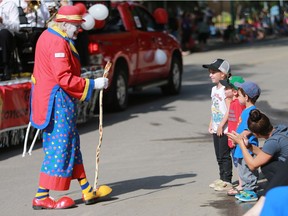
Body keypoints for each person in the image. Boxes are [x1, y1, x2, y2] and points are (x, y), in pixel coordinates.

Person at [29, 5, 109, 210]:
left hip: (57, 100)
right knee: (60, 147)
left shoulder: (55, 36)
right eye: (76, 26)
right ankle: (41, 196)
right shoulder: (56, 41)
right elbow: (63, 78)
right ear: (64, 24)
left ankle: (86, 189)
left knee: (71, 144)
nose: (79, 30)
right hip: (56, 102)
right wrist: (93, 84)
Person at [228, 109, 288, 183]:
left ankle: (279, 190)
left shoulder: (273, 141)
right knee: (267, 161)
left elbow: (252, 165)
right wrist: (248, 146)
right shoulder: (281, 129)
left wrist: (241, 144)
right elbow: (265, 154)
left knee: (267, 166)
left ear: (256, 134)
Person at [202, 58, 233, 191]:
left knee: (224, 155)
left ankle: (227, 180)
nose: (210, 75)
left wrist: (221, 125)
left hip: (224, 129)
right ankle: (221, 178)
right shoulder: (214, 90)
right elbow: (214, 107)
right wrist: (212, 122)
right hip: (216, 127)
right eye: (210, 72)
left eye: (214, 72)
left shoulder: (226, 90)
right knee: (218, 155)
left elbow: (229, 109)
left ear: (223, 74)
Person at [228, 80, 261, 202]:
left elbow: (250, 129)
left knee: (248, 170)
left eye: (239, 95)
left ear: (246, 97)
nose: (237, 96)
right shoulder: (245, 110)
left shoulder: (252, 111)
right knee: (242, 169)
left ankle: (250, 191)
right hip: (240, 147)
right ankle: (247, 189)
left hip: (247, 147)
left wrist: (239, 137)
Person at [219, 76, 246, 196]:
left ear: (235, 91)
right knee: (237, 162)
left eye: (227, 89)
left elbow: (240, 122)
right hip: (233, 139)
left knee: (241, 163)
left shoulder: (239, 105)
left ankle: (243, 185)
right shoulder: (233, 103)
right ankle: (242, 184)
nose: (224, 91)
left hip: (238, 139)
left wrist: (236, 138)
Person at [0, 0, 20, 80]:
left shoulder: (11, 5)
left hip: (7, 36)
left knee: (3, 33)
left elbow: (17, 27)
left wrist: (3, 21)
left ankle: (6, 67)